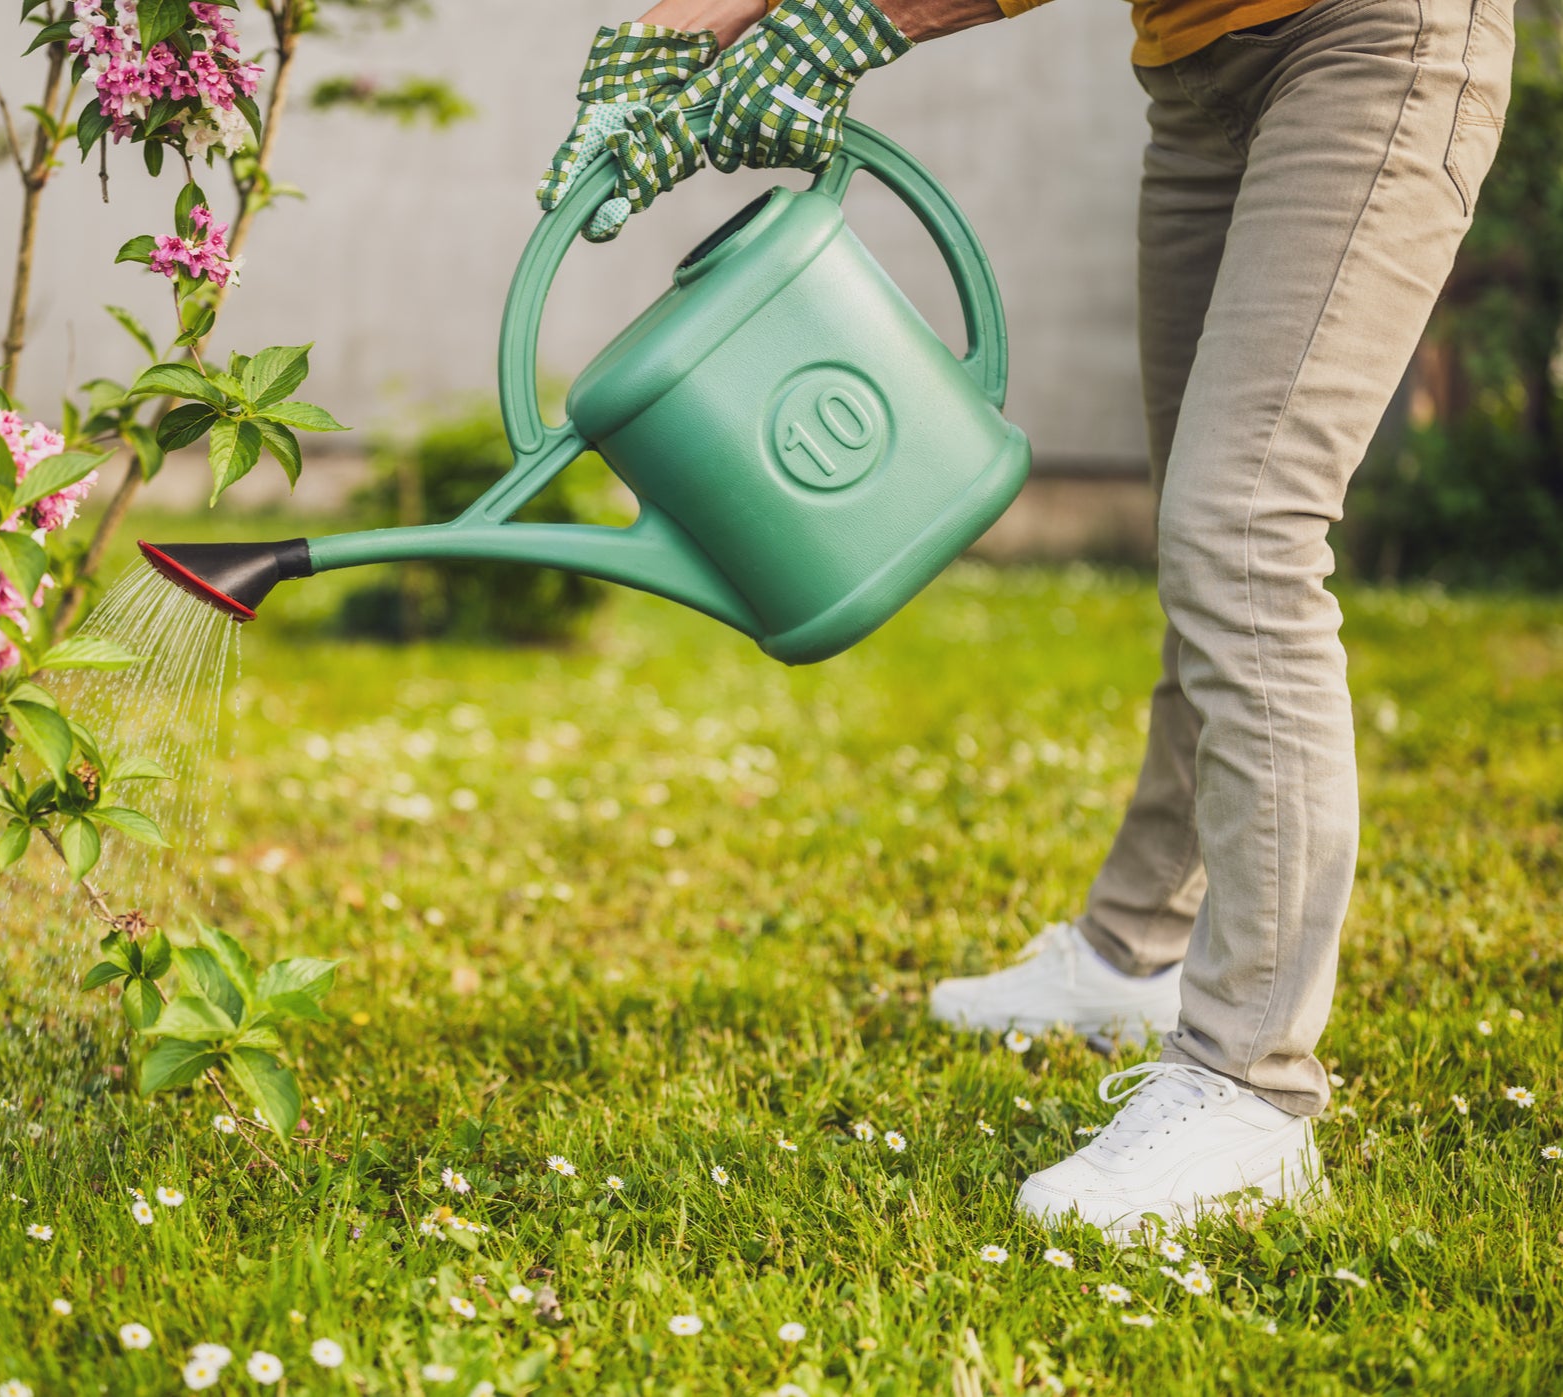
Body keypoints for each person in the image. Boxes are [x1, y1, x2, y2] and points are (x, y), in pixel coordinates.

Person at [539, 0, 1514, 1235]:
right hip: (1193, 67)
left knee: (1245, 529)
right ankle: (1137, 952)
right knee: (1205, 534)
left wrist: (855, 20)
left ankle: (1250, 1086)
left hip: (1370, 42)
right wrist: (684, 25)